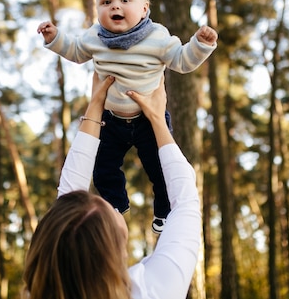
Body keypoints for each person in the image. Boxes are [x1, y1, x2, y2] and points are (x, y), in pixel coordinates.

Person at [37, 0, 217, 233]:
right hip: (110, 120)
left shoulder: (157, 36)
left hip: (148, 120)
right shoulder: (95, 36)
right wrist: (55, 38)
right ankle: (115, 207)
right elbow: (75, 51)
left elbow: (181, 61)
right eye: (106, 2)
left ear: (144, 9)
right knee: (103, 169)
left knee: (161, 168)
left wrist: (200, 45)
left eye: (124, 0)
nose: (114, 7)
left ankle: (164, 213)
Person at [23, 74, 201, 299]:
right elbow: (186, 200)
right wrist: (157, 119)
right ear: (114, 249)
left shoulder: (158, 290)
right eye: (107, 207)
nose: (111, 205)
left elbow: (65, 220)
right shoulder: (155, 290)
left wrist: (96, 105)